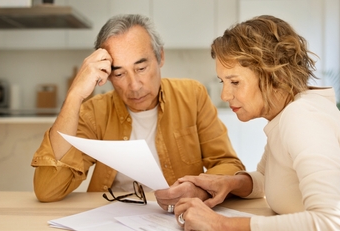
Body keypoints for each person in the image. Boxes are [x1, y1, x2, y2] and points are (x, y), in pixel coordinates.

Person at [31, 14, 245, 203]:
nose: (134, 86)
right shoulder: (95, 113)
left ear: (160, 57)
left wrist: (197, 188)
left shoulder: (192, 96)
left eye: (141, 68)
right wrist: (74, 95)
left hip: (175, 217)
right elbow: (48, 190)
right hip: (111, 218)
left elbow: (229, 165)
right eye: (119, 74)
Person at [167, 15, 340, 230]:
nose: (224, 95)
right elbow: (267, 180)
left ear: (277, 77)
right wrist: (228, 183)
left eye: (235, 82)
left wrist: (221, 224)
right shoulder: (285, 115)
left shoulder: (302, 118)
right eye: (223, 81)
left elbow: (331, 221)